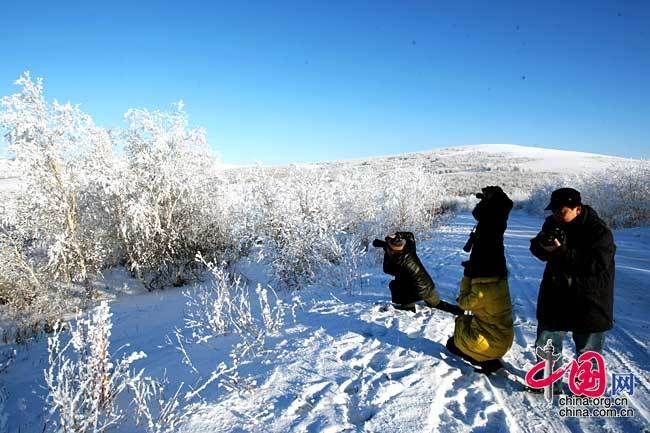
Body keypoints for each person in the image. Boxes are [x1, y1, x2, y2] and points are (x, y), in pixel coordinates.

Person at [530, 187, 615, 392]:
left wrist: (562, 251)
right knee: (547, 343)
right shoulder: (553, 223)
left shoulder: (598, 230)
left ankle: (587, 386)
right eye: (554, 211)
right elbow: (538, 248)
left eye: (562, 211)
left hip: (589, 298)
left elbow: (596, 264)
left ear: (577, 208)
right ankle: (548, 382)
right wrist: (541, 245)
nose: (557, 215)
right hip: (556, 294)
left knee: (588, 349)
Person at [446, 186, 515, 374]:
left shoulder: (492, 213)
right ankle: (484, 355)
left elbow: (463, 303)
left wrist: (468, 276)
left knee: (454, 341)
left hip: (486, 259)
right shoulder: (500, 212)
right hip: (492, 262)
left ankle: (483, 359)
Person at [374, 231, 463, 315]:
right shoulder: (410, 251)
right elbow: (410, 236)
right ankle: (461, 312)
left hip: (413, 293)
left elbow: (386, 269)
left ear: (391, 250)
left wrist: (386, 251)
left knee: (395, 284)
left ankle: (408, 307)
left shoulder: (397, 263)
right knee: (438, 304)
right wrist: (398, 235)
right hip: (428, 288)